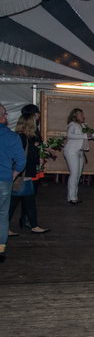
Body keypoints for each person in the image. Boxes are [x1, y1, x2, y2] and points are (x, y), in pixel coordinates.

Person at [9, 110, 50, 235]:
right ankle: (7, 227)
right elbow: (20, 157)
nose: (36, 124)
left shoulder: (27, 137)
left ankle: (34, 225)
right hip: (22, 174)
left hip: (26, 174)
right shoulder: (21, 137)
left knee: (28, 201)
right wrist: (38, 157)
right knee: (15, 202)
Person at [0, 104, 26, 262]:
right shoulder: (11, 137)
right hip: (4, 180)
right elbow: (21, 161)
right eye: (5, 114)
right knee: (3, 215)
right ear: (3, 117)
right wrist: (13, 175)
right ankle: (0, 249)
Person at [63, 108, 94, 204]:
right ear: (75, 116)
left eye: (83, 114)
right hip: (71, 151)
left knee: (78, 175)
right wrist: (84, 136)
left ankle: (73, 196)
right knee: (74, 174)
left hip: (80, 152)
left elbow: (92, 135)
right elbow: (69, 135)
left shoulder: (84, 125)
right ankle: (72, 197)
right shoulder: (72, 124)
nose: (83, 116)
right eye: (81, 114)